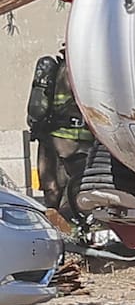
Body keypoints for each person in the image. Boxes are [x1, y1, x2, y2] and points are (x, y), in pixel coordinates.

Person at [26, 47, 92, 221]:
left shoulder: (58, 68)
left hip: (51, 138)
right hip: (76, 142)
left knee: (53, 189)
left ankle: (55, 226)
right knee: (75, 188)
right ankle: (70, 232)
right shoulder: (78, 71)